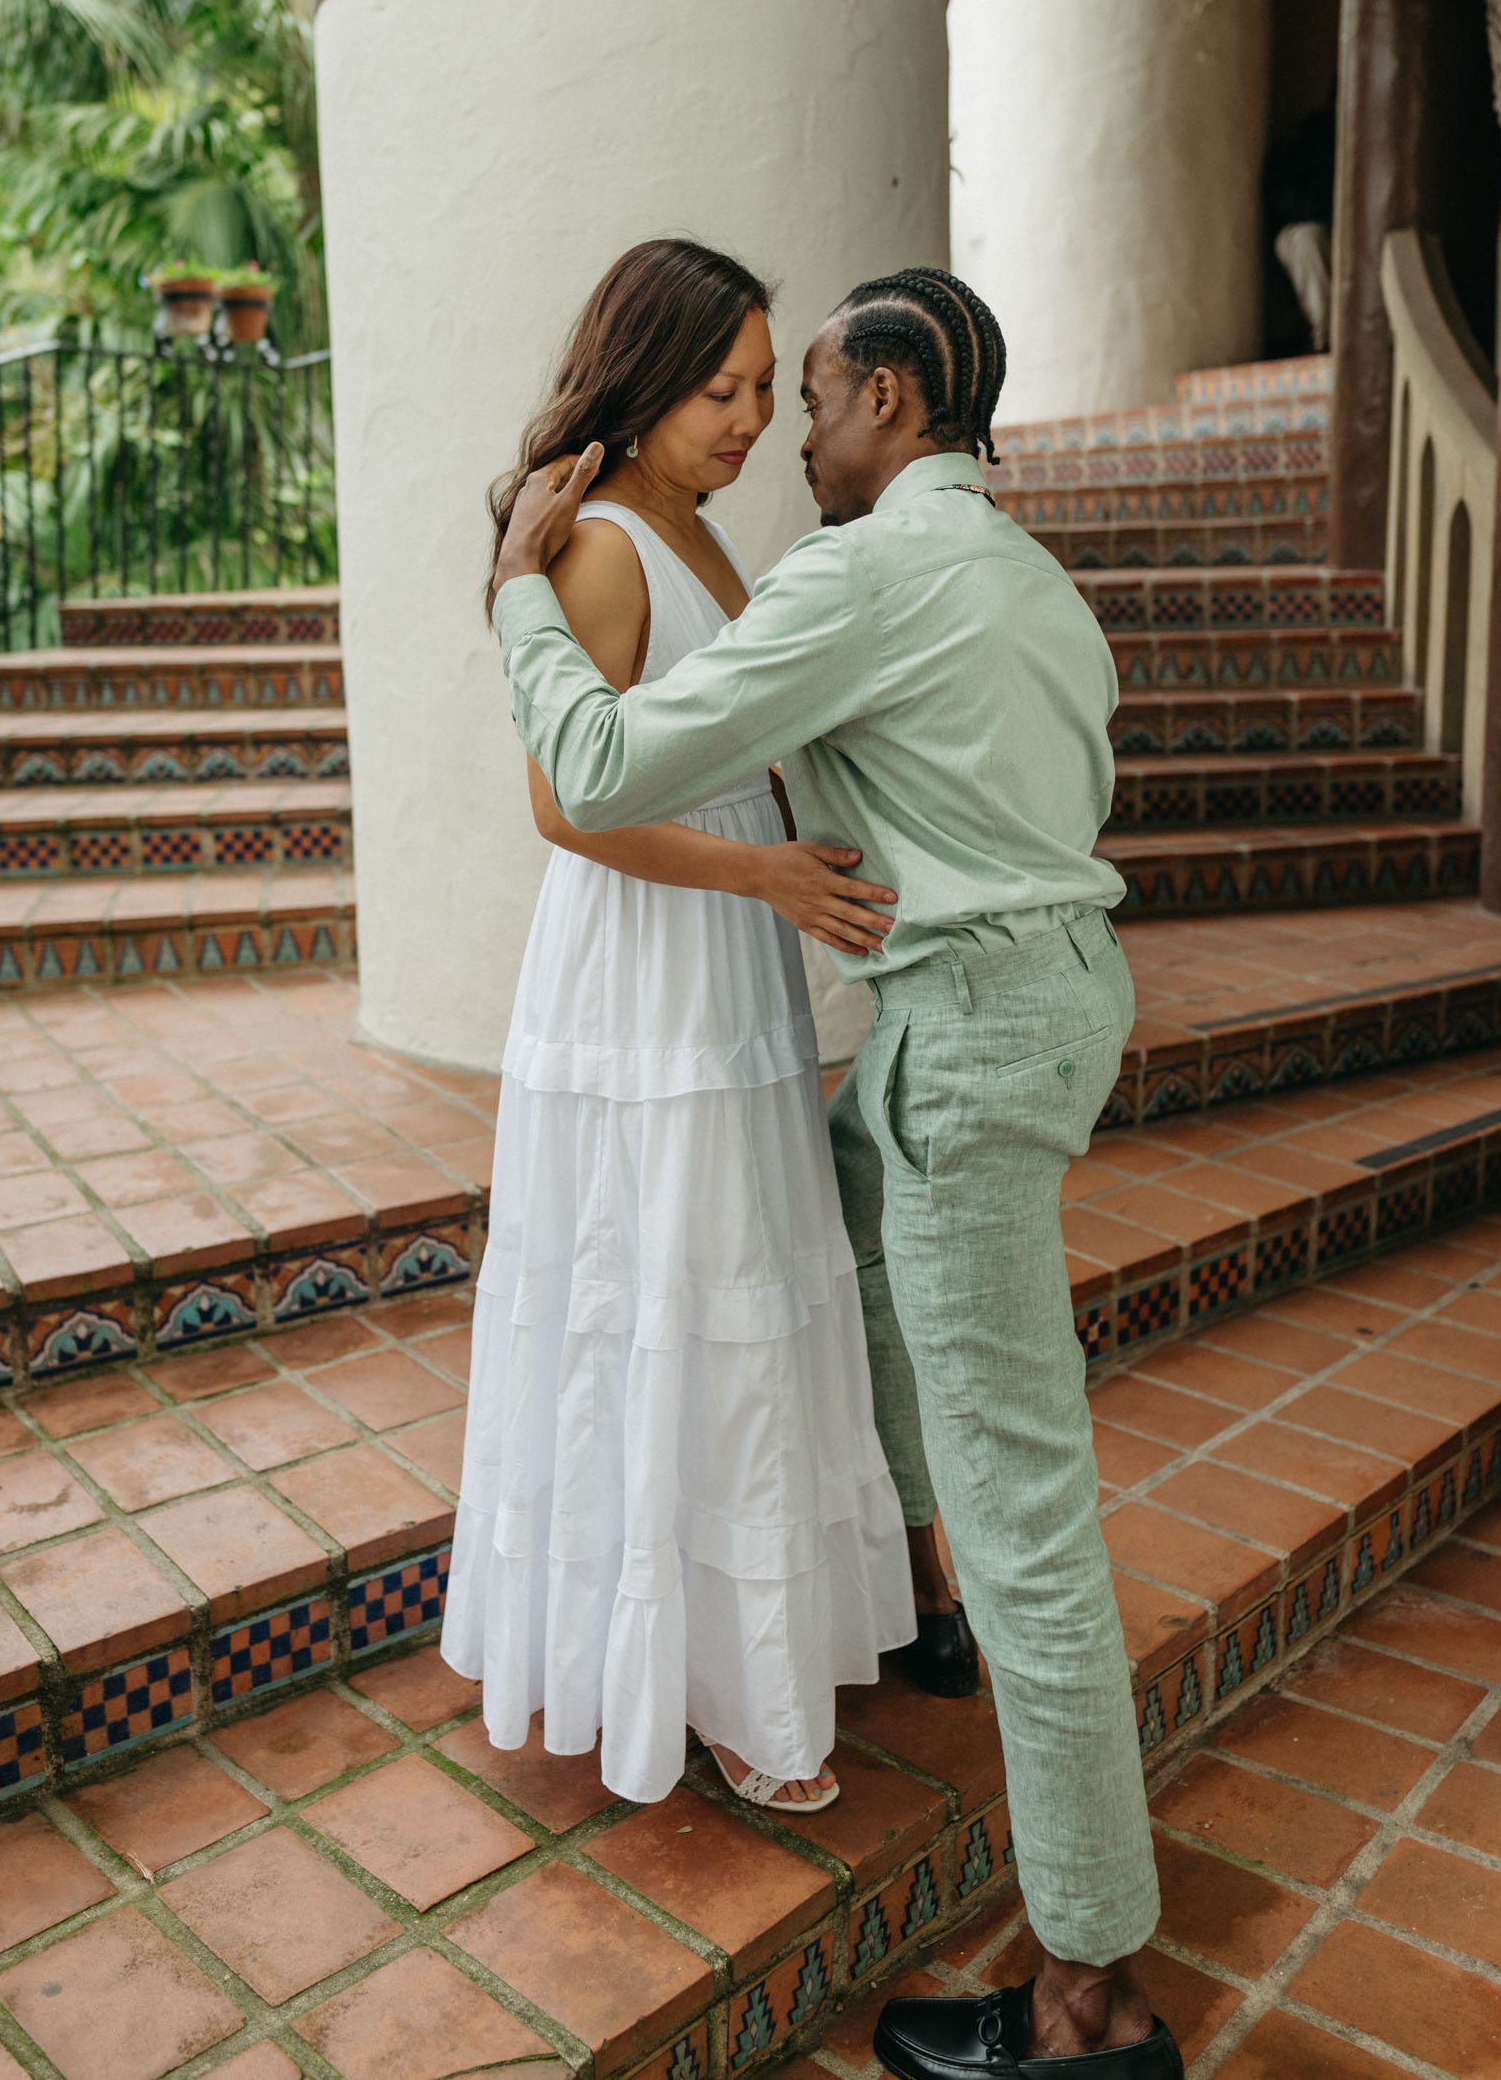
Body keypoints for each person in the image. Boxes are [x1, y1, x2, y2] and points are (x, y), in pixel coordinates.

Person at [488, 264, 1182, 2079]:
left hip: (964, 1032)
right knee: (836, 1237)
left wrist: (513, 596)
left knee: (1034, 1518)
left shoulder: (863, 571)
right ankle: (911, 1596)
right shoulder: (1032, 577)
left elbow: (593, 757)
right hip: (1041, 1002)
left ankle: (1091, 1991)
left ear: (885, 395)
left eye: (803, 395)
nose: (789, 432)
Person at [441, 237, 919, 1816]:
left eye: (767, 388)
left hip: (729, 961)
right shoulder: (600, 551)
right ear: (643, 386)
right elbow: (563, 805)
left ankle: (734, 1657)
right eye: (721, 388)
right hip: (648, 970)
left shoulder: (706, 542)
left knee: (739, 1294)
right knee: (660, 1298)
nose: (748, 418)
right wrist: (766, 871)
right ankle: (682, 1674)